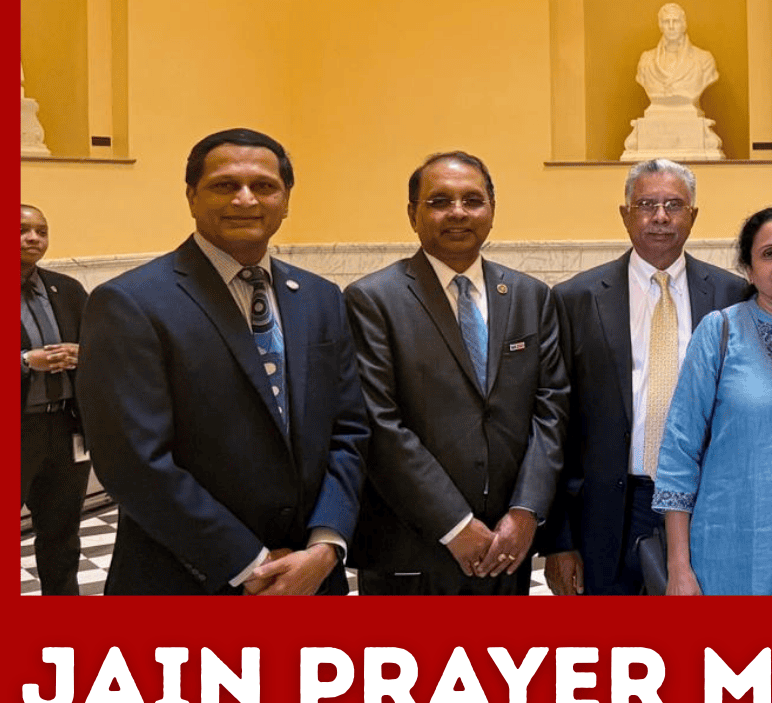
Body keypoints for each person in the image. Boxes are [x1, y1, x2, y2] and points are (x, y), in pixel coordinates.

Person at [78, 128, 368, 595]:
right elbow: (133, 461)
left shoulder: (320, 297)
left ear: (286, 199)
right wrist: (248, 563)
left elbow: (349, 429)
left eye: (264, 186)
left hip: (312, 574)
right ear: (192, 196)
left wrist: (326, 543)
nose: (245, 199)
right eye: (225, 185)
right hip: (190, 577)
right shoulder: (130, 303)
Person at [345, 151, 568, 595]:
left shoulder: (530, 297)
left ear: (491, 211)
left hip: (509, 545)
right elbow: (380, 425)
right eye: (440, 201)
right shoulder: (372, 300)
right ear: (413, 214)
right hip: (413, 548)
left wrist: (525, 511)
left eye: (472, 200)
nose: (458, 213)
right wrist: (455, 524)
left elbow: (552, 410)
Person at [541, 159, 747, 595]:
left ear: (693, 216)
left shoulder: (733, 296)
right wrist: (559, 542)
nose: (660, 217)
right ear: (625, 214)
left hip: (706, 507)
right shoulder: (575, 299)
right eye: (646, 204)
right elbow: (553, 426)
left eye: (674, 205)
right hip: (604, 516)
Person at [652, 207, 772, 595]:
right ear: (749, 269)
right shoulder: (721, 331)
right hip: (727, 547)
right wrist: (679, 568)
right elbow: (679, 452)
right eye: (769, 254)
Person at [20, 204, 90, 595]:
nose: (34, 238)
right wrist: (27, 361)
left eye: (41, 231)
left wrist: (84, 354)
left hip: (65, 428)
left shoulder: (67, 289)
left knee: (62, 535)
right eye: (22, 230)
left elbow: (102, 345)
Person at [636, 2, 719, 114]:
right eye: (666, 22)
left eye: (675, 21)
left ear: (684, 24)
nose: (671, 26)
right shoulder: (646, 60)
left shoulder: (704, 59)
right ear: (660, 25)